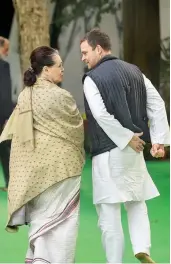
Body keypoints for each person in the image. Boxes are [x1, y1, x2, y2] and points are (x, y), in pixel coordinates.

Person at [80, 28, 170, 263]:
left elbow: (100, 115)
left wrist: (125, 137)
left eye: (85, 52)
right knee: (136, 201)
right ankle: (142, 247)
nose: (83, 58)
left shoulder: (91, 79)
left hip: (109, 152)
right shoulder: (136, 72)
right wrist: (159, 141)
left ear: (98, 49)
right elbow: (158, 104)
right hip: (134, 151)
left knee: (109, 214)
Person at [0, 46, 85, 263]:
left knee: (41, 223)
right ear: (46, 70)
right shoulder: (61, 97)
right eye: (59, 66)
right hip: (62, 171)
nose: (63, 70)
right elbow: (76, 130)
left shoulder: (24, 96)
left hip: (35, 173)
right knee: (62, 226)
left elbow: (18, 135)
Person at [0, 36, 13, 191]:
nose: (7, 53)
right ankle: (10, 183)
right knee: (4, 149)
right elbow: (5, 93)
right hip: (1, 115)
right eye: (5, 49)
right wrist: (7, 116)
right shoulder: (4, 66)